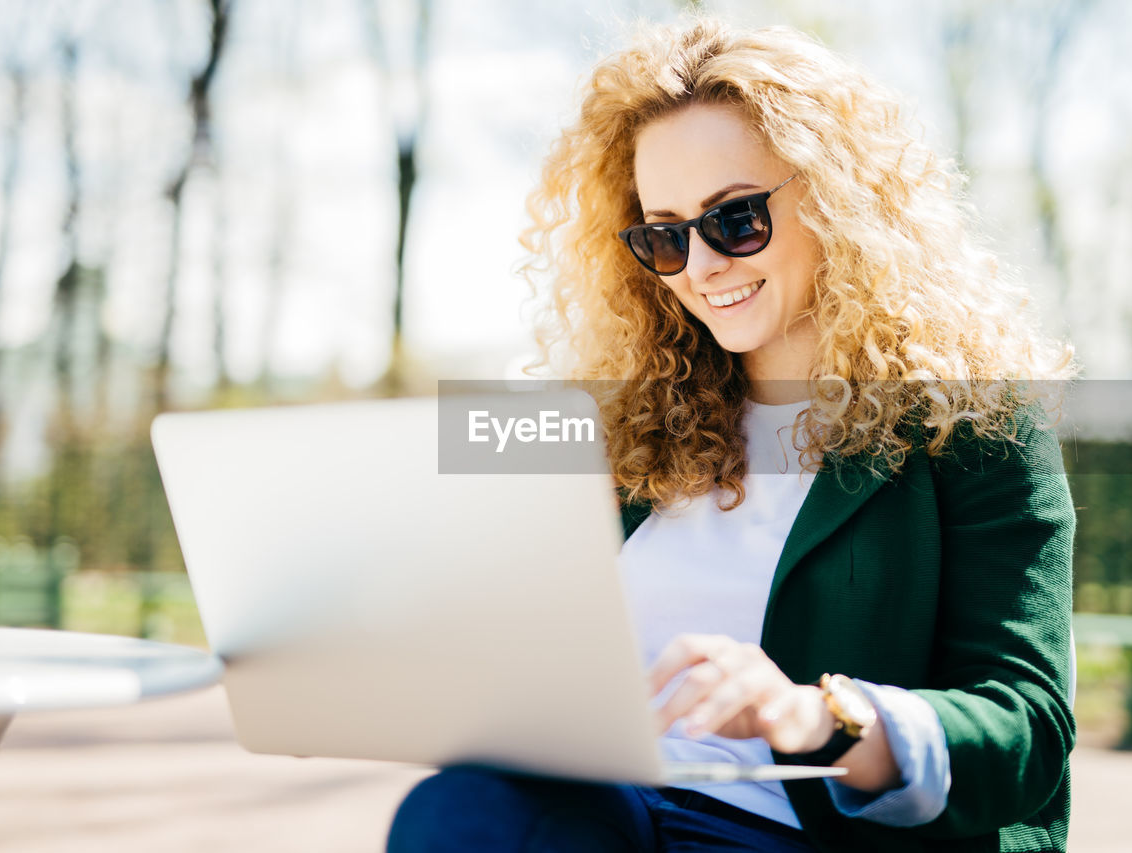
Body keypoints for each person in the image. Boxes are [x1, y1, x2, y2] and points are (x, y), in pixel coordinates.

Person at [388, 17, 1077, 853]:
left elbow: (1027, 726)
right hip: (603, 811)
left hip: (797, 833)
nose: (702, 267)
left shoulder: (972, 422)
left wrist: (809, 713)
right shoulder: (620, 429)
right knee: (458, 808)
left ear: (837, 198)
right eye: (665, 235)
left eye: (737, 219)